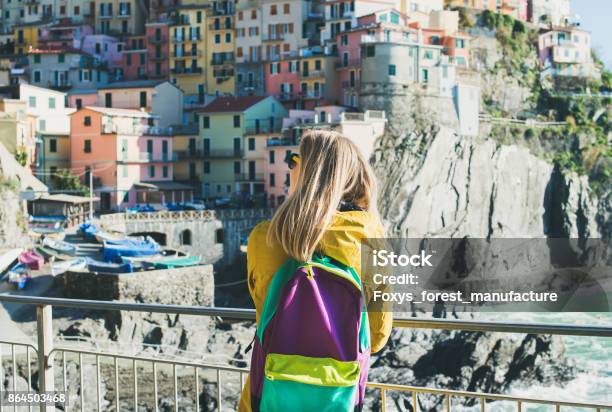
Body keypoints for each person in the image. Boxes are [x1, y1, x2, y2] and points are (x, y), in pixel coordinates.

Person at [237, 130, 393, 411]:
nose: (290, 167)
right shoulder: (370, 240)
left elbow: (264, 307)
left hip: (269, 396)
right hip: (336, 398)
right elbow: (378, 337)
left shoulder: (265, 238)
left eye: (294, 160)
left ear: (309, 172)